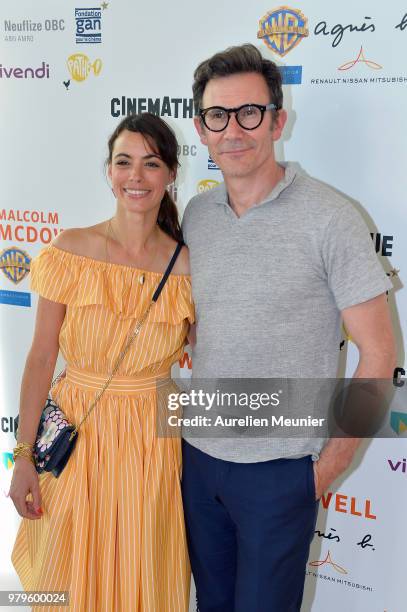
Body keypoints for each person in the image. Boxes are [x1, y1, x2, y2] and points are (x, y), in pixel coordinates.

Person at [181, 44, 396, 612]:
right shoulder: (196, 217)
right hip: (198, 463)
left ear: (278, 118)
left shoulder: (331, 218)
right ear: (200, 130)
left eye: (249, 112)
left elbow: (378, 355)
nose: (234, 130)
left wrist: (326, 467)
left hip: (281, 474)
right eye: (217, 116)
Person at [9, 113, 194, 611]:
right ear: (108, 172)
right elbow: (41, 357)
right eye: (124, 162)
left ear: (171, 173)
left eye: (151, 163)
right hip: (76, 432)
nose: (136, 176)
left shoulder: (189, 267)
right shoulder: (71, 250)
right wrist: (22, 456)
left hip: (152, 441)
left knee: (142, 571)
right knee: (67, 572)